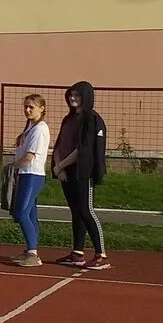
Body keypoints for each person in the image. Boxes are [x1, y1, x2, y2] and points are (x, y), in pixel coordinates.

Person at [51, 81, 109, 270]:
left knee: (86, 210)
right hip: (66, 173)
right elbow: (60, 143)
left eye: (77, 95)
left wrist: (61, 165)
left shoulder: (92, 120)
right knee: (76, 212)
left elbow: (81, 150)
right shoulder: (68, 119)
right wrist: (59, 169)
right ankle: (77, 253)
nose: (73, 98)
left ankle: (101, 254)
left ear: (86, 97)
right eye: (71, 95)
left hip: (83, 173)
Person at [8, 94, 51, 267]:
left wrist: (13, 166)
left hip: (32, 175)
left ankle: (33, 253)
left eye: (31, 107)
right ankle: (31, 250)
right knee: (31, 213)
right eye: (25, 106)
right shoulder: (31, 128)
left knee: (20, 213)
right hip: (26, 174)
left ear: (41, 109)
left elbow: (30, 156)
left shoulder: (40, 129)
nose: (27, 110)